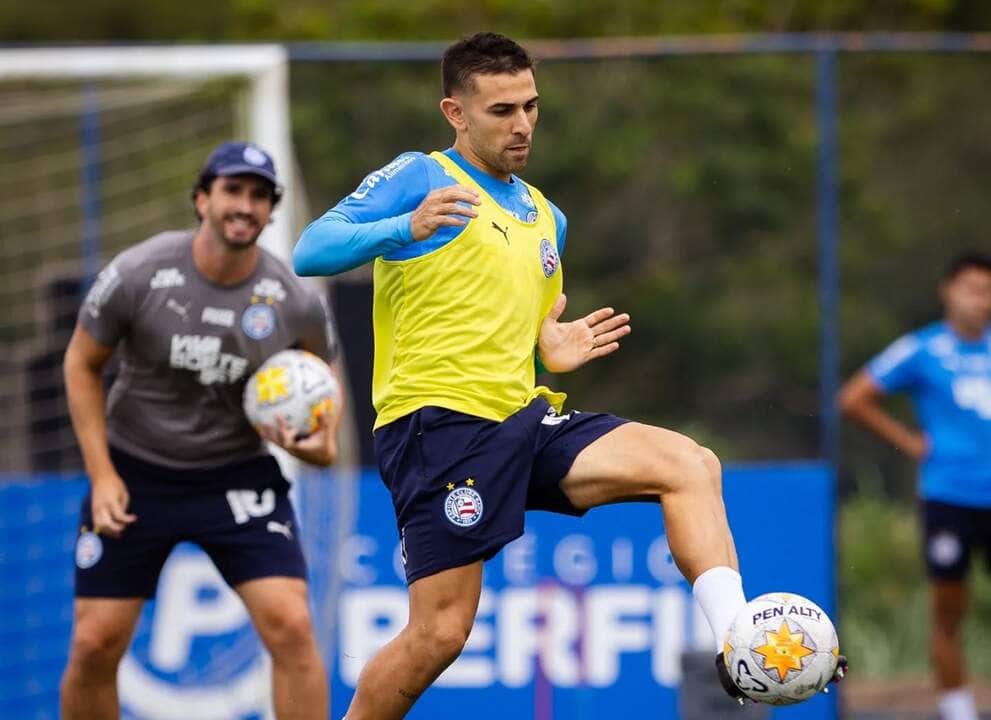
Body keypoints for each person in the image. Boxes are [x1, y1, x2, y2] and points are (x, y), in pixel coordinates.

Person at [295, 32, 840, 717]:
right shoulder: (422, 176)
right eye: (499, 111)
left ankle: (739, 643)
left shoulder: (545, 215)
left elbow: (515, 331)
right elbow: (308, 250)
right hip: (439, 428)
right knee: (438, 634)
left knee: (688, 463)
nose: (520, 124)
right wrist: (402, 226)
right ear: (454, 113)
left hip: (523, 416)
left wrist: (547, 349)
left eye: (529, 106)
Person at [59, 141, 342, 720]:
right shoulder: (140, 273)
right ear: (201, 199)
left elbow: (322, 383)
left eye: (260, 196)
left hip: (235, 475)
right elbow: (80, 365)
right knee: (93, 644)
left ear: (270, 212)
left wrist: (320, 445)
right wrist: (102, 475)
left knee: (292, 627)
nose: (246, 205)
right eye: (233, 190)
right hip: (135, 472)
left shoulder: (293, 302)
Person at [839, 252, 991, 720]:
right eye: (971, 290)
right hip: (949, 496)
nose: (980, 301)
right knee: (948, 609)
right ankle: (958, 710)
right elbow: (854, 398)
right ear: (948, 291)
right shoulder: (922, 349)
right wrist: (908, 440)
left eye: (988, 292)